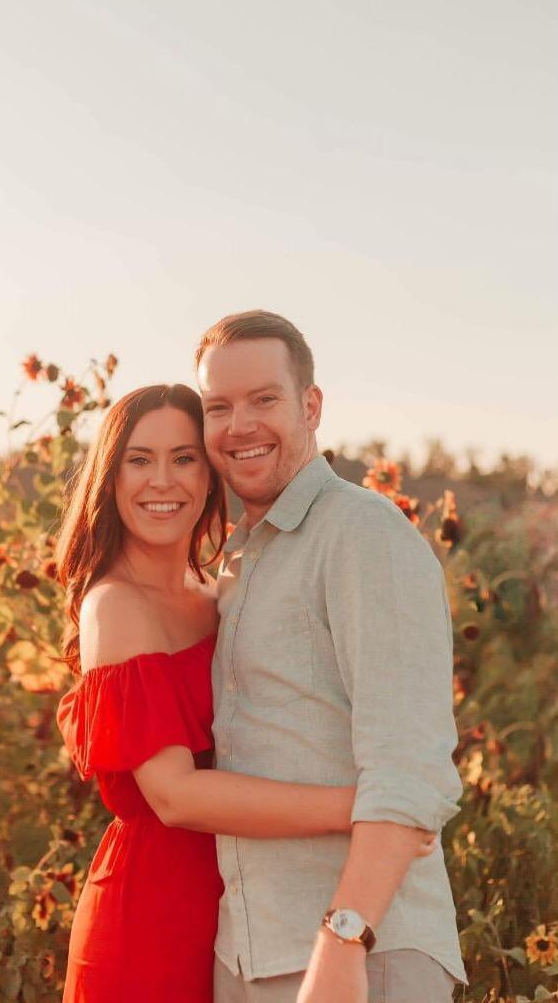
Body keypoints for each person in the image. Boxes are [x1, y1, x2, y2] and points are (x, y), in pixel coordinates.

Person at [54, 383, 438, 1003]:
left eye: (183, 458)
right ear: (110, 477)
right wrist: (369, 810)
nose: (163, 481)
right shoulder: (114, 606)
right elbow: (174, 797)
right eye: (139, 459)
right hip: (149, 915)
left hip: (239, 910)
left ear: (210, 477)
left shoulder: (217, 592)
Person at [194, 311, 467, 1003]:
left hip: (360, 958)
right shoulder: (238, 557)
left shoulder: (361, 532)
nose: (240, 425)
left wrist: (343, 938)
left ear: (309, 406)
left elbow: (408, 767)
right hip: (249, 951)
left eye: (264, 399)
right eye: (218, 407)